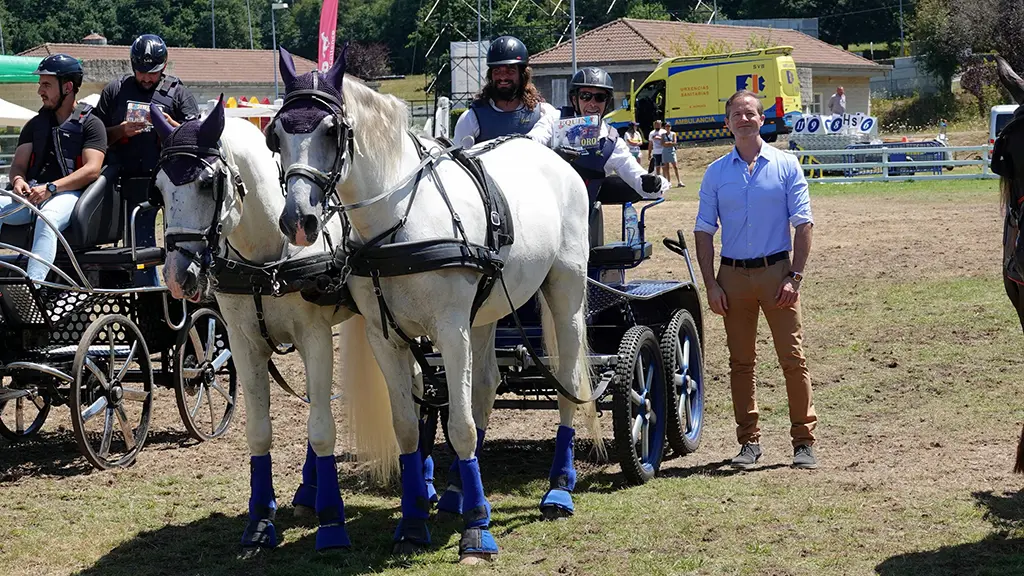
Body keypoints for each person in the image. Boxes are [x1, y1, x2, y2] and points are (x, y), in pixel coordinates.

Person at [692, 89, 818, 471]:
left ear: (762, 120)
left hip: (777, 274)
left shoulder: (785, 165)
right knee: (740, 363)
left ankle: (804, 443)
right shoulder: (715, 172)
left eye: (750, 113)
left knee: (792, 359)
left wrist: (795, 276)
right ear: (727, 122)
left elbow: (803, 223)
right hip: (732, 277)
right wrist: (711, 284)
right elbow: (703, 230)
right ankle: (749, 443)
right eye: (737, 114)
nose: (744, 119)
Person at [93, 34, 199, 284]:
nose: (146, 78)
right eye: (141, 71)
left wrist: (174, 129)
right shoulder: (115, 90)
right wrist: (120, 131)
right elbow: (92, 138)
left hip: (171, 182)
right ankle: (146, 291)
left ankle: (183, 289)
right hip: (127, 181)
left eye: (152, 72)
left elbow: (198, 138)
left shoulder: (179, 93)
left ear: (164, 66)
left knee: (182, 240)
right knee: (139, 244)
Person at [2, 54, 107, 281]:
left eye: (46, 85)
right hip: (33, 195)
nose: (40, 91)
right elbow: (18, 166)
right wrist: (19, 181)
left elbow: (92, 170)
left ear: (68, 87)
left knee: (46, 217)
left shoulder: (91, 124)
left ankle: (34, 289)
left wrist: (50, 188)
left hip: (74, 196)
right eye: (40, 84)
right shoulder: (34, 125)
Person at [528, 66, 668, 203]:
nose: (592, 103)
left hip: (582, 219)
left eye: (600, 97)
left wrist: (653, 183)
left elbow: (637, 176)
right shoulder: (554, 119)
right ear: (574, 99)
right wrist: (549, 153)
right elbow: (535, 138)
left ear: (607, 102)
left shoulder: (612, 142)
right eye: (585, 96)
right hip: (544, 211)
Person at [453, 35, 558, 145]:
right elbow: (458, 159)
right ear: (490, 76)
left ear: (522, 75)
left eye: (510, 71)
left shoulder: (544, 113)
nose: (503, 77)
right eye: (497, 71)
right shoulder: (471, 118)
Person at [660, 120, 684, 187]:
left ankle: (679, 181)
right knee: (666, 167)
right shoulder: (663, 135)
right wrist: (669, 143)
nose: (667, 127)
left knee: (675, 166)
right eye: (666, 126)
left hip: (671, 151)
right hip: (665, 152)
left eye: (669, 126)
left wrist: (668, 143)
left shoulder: (673, 134)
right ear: (665, 127)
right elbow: (662, 144)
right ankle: (668, 182)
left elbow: (674, 143)